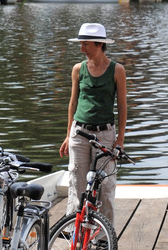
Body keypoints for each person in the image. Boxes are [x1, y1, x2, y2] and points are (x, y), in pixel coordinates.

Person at [59, 23, 127, 225]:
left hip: (105, 134)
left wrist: (120, 139)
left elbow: (122, 107)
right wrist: (67, 135)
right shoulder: (78, 69)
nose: (82, 49)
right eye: (81, 44)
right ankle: (75, 231)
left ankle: (104, 238)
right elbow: (73, 103)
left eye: (85, 44)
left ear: (99, 44)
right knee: (76, 185)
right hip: (78, 133)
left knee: (105, 188)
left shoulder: (117, 70)